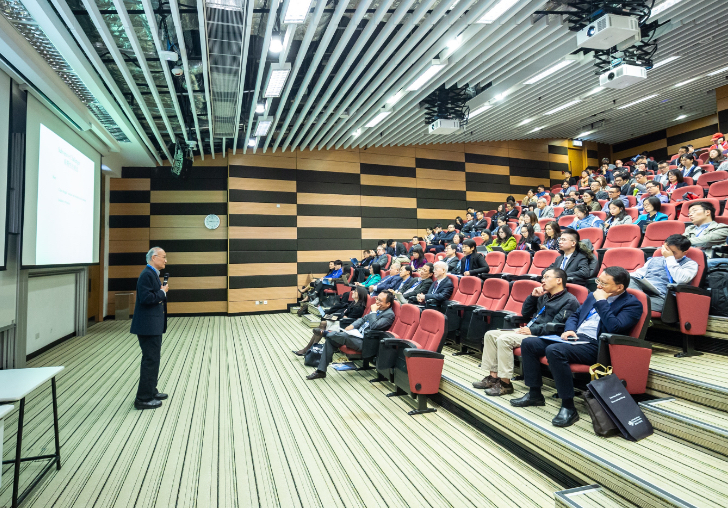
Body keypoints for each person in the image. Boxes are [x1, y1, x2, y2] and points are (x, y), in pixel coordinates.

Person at [512, 266, 643, 427]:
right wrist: (569, 329)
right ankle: (534, 394)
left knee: (554, 350)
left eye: (604, 283)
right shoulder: (593, 295)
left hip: (598, 345)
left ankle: (568, 406)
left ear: (619, 287)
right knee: (529, 343)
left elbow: (614, 327)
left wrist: (602, 301)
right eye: (598, 281)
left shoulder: (632, 304)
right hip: (576, 338)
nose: (599, 286)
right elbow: (575, 315)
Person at [474, 268, 579, 396]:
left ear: (558, 280)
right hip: (530, 330)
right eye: (543, 277)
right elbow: (526, 313)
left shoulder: (569, 300)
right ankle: (493, 377)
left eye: (546, 277)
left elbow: (556, 326)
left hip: (545, 335)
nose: (542, 280)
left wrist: (531, 330)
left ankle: (505, 384)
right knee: (490, 335)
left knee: (504, 339)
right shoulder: (544, 296)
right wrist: (532, 297)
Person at [306, 292, 396, 380]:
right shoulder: (378, 310)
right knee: (331, 340)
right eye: (376, 299)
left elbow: (374, 326)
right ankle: (321, 371)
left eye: (380, 301)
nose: (376, 302)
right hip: (358, 335)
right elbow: (362, 319)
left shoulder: (389, 315)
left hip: (367, 343)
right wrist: (352, 326)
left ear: (388, 304)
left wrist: (373, 312)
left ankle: (326, 333)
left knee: (342, 336)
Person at [130, 247, 169, 410]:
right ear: (154, 258)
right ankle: (143, 398)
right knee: (150, 360)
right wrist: (162, 292)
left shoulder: (152, 273)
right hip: (147, 326)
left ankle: (151, 390)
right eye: (163, 257)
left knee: (154, 359)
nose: (166, 260)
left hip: (152, 325)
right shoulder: (147, 274)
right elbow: (146, 299)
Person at [629, 235, 698, 313]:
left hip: (664, 299)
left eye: (673, 252)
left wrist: (670, 258)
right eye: (666, 249)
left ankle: (633, 301)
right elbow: (638, 275)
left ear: (684, 252)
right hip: (645, 293)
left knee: (626, 303)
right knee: (628, 279)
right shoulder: (653, 260)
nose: (667, 253)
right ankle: (635, 301)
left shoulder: (690, 264)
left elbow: (681, 279)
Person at [294, 286, 368, 356]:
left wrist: (340, 316)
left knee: (322, 324)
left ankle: (309, 349)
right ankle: (309, 349)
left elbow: (349, 319)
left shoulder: (359, 307)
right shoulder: (354, 303)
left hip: (344, 326)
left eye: (355, 291)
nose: (353, 292)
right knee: (322, 324)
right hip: (341, 321)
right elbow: (344, 314)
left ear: (360, 294)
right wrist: (335, 316)